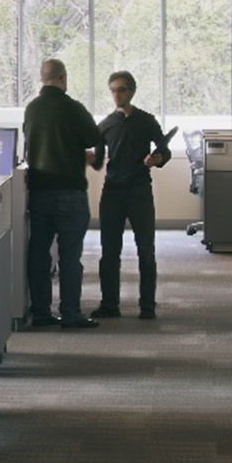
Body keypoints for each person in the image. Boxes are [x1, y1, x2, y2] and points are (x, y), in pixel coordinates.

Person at [23, 58, 103, 329]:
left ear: (41, 79)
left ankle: (41, 312)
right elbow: (94, 137)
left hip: (39, 192)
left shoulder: (31, 109)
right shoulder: (72, 108)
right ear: (63, 79)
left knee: (39, 254)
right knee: (70, 257)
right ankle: (70, 314)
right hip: (69, 192)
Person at [92, 71, 171, 320]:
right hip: (113, 192)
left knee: (146, 250)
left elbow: (164, 151)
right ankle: (109, 304)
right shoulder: (105, 125)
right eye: (113, 90)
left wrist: (157, 159)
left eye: (122, 89)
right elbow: (96, 162)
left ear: (132, 91)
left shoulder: (147, 121)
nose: (117, 94)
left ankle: (147, 306)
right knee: (109, 252)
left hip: (139, 192)